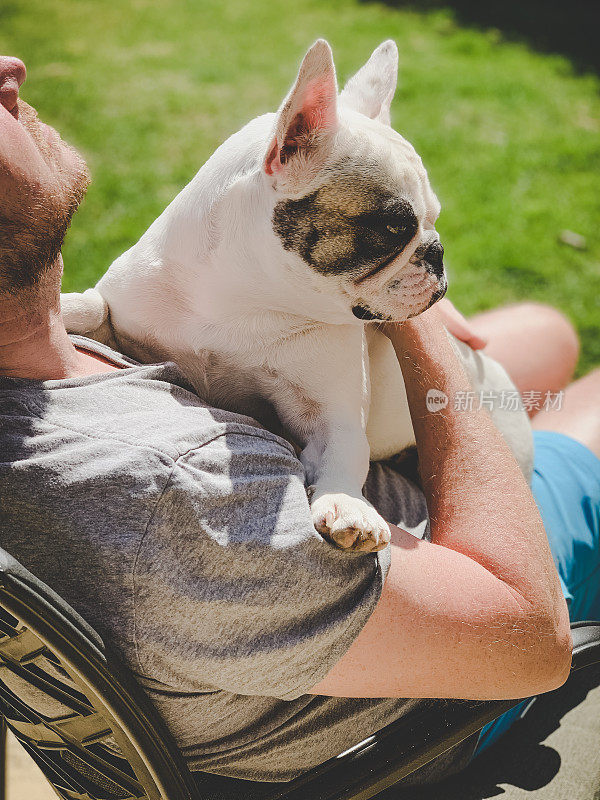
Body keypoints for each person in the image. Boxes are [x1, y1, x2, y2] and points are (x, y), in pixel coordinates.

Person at [1, 54, 598, 785]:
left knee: (545, 333)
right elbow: (530, 637)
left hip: (377, 408)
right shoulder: (181, 493)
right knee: (570, 412)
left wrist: (410, 300)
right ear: (287, 148)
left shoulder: (81, 338)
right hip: (464, 609)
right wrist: (415, 316)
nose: (10, 67)